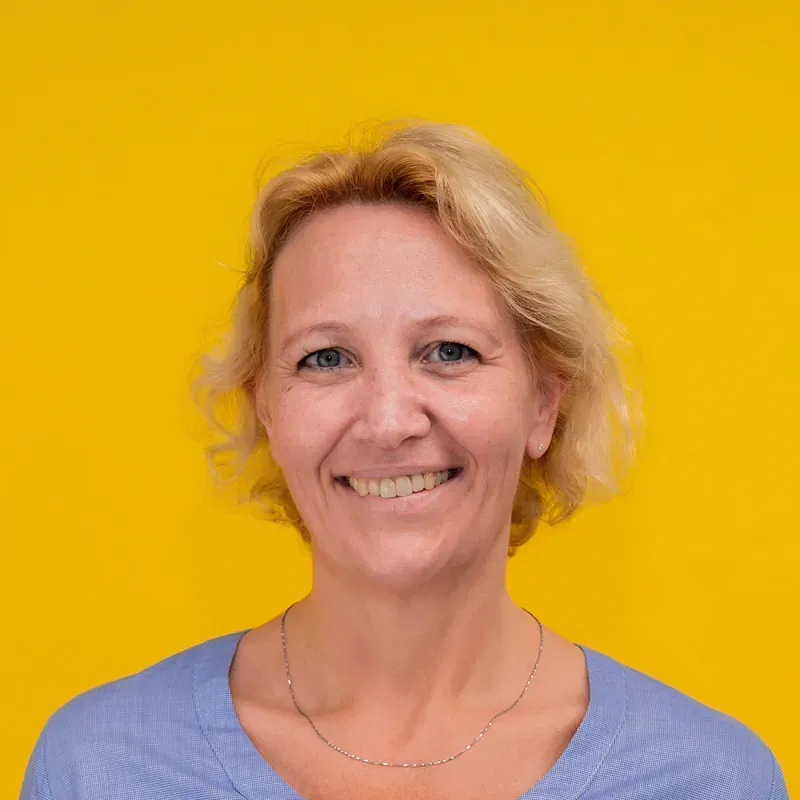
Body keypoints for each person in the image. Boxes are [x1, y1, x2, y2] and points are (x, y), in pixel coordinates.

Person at [20, 121, 789, 800]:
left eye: (449, 351)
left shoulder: (708, 778)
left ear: (544, 404)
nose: (388, 421)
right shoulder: (99, 770)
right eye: (326, 358)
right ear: (267, 410)